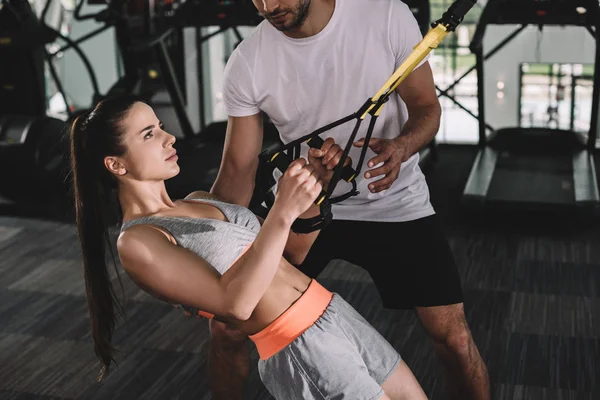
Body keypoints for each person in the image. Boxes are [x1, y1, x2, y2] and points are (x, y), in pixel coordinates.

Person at [209, 0, 491, 399]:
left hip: (392, 203)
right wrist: (210, 251)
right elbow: (237, 171)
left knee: (454, 341)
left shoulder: (386, 15)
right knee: (225, 327)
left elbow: (426, 107)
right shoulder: (248, 62)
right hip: (306, 208)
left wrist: (403, 146)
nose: (268, 6)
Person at [69, 95, 429, 400]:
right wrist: (281, 212)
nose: (169, 138)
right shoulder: (137, 240)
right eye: (150, 134)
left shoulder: (197, 199)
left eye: (162, 126)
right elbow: (235, 305)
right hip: (300, 345)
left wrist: (312, 192)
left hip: (335, 313)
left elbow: (290, 257)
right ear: (116, 164)